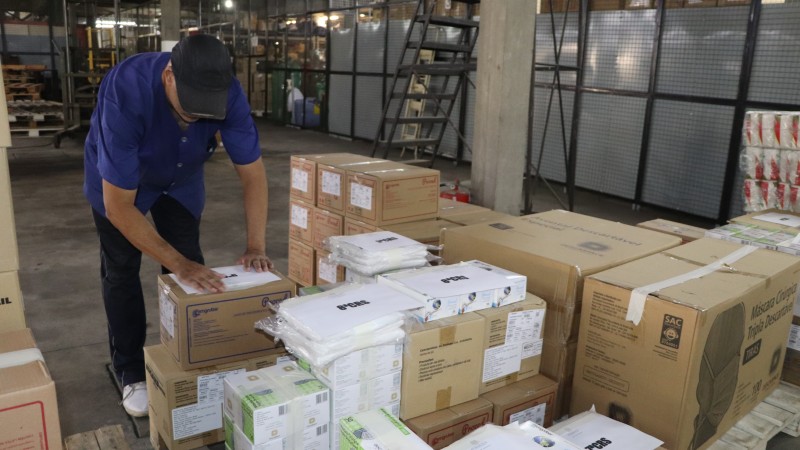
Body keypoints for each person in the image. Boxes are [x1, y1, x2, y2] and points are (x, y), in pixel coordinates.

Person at [83, 34, 273, 417]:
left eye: (204, 114)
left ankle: (188, 359)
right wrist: (180, 264)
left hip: (182, 180)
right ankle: (130, 369)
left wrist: (255, 245)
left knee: (189, 269)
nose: (192, 119)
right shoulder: (127, 90)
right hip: (122, 184)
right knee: (122, 270)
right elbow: (119, 208)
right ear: (169, 75)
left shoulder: (230, 95)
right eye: (188, 110)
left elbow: (253, 175)